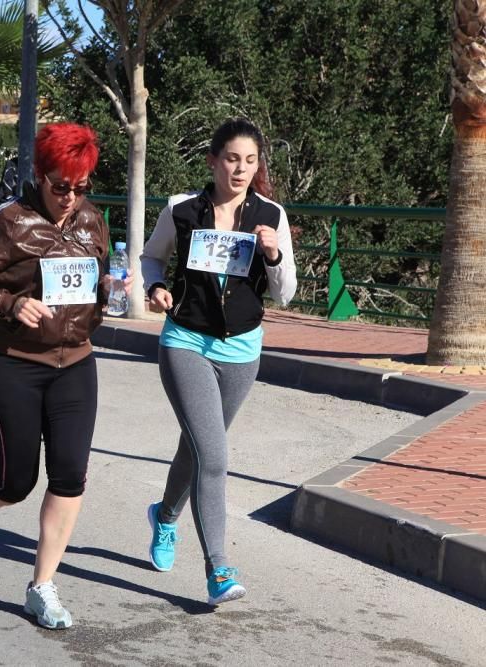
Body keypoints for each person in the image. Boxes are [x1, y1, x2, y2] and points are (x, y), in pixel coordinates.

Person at [0, 123, 130, 630]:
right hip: (10, 362)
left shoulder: (92, 220)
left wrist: (110, 287)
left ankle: (41, 586)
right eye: (61, 185)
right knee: (17, 480)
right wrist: (9, 303)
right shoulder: (8, 221)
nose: (71, 197)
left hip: (75, 362)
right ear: (40, 175)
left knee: (70, 475)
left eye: (81, 186)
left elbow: (93, 284)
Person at [139, 117, 297, 605]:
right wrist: (156, 287)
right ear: (212, 160)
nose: (241, 169)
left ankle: (165, 516)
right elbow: (150, 258)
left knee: (199, 447)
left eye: (251, 161)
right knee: (215, 453)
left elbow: (285, 295)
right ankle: (219, 568)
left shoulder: (271, 214)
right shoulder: (181, 210)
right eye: (232, 158)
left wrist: (273, 256)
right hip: (185, 341)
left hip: (243, 350)